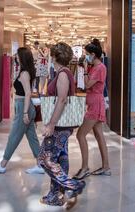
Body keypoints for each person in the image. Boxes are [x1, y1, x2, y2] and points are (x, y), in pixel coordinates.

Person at [38, 42, 86, 208]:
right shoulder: (63, 73)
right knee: (61, 158)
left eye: (51, 56)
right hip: (62, 124)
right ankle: (55, 195)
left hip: (60, 125)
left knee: (45, 159)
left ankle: (73, 185)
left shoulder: (63, 74)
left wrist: (51, 124)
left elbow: (62, 99)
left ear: (55, 57)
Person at [0, 47, 44, 175]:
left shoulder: (24, 74)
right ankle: (40, 164)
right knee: (32, 138)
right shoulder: (25, 71)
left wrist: (24, 113)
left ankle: (2, 164)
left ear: (22, 57)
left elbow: (28, 93)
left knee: (14, 136)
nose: (15, 57)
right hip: (24, 106)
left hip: (24, 107)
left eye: (17, 55)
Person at [73, 42, 111, 180]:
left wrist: (84, 70)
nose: (86, 56)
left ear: (93, 54)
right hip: (93, 103)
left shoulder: (100, 68)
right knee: (99, 135)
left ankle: (84, 168)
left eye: (87, 54)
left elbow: (87, 84)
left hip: (95, 105)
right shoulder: (95, 67)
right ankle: (106, 167)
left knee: (80, 134)